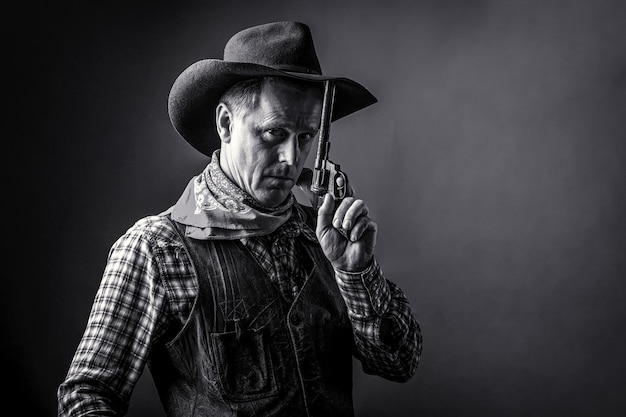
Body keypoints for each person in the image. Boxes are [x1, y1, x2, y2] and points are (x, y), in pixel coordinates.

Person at [58, 21, 422, 417]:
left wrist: (356, 273)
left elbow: (400, 364)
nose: (290, 158)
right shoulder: (156, 249)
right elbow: (87, 395)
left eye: (305, 137)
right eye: (274, 133)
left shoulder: (324, 235)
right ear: (226, 124)